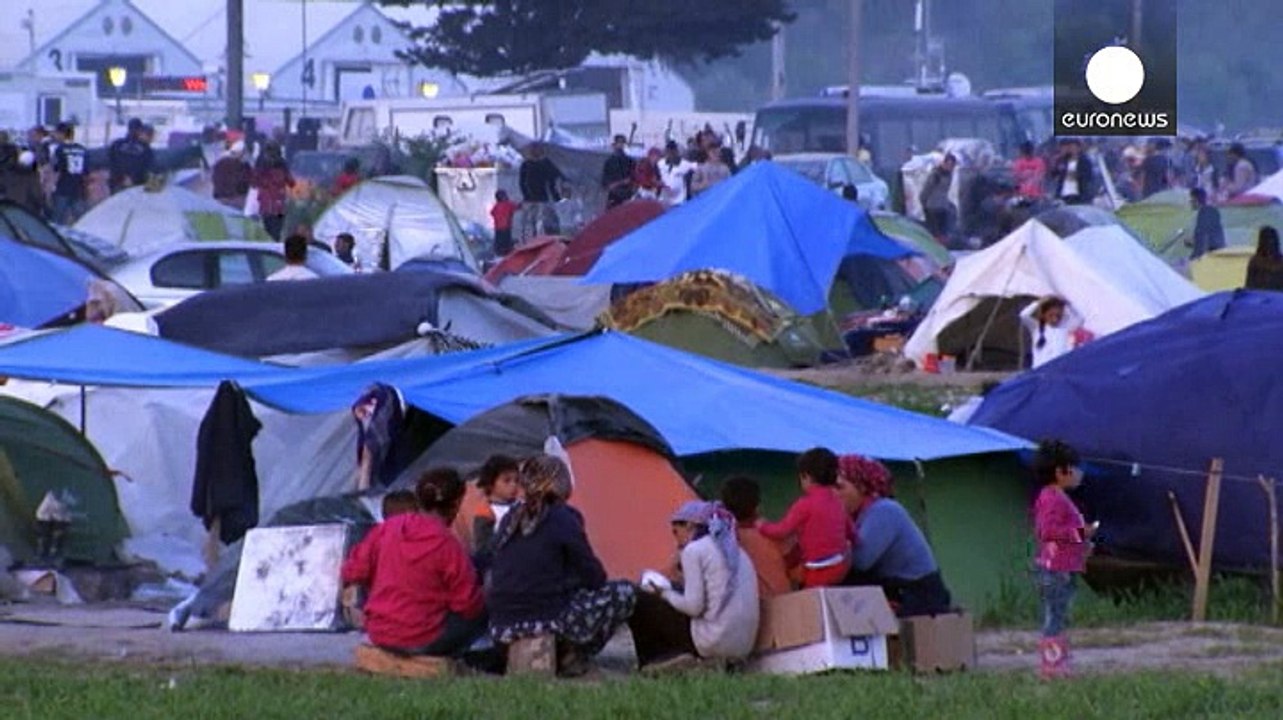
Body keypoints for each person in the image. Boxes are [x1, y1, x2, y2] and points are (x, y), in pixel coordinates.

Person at [485, 454, 636, 677]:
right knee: (624, 592)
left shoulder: (510, 518)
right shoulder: (564, 518)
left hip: (501, 624)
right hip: (545, 618)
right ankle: (572, 653)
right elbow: (595, 577)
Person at [339, 468, 487, 657]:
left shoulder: (386, 529)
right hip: (423, 638)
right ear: (457, 503)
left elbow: (352, 571)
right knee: (486, 603)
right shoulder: (447, 544)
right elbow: (468, 604)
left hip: (380, 633)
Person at [629, 500, 760, 672]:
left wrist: (664, 593)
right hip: (742, 646)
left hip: (712, 641)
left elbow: (693, 607)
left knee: (638, 598)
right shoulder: (737, 552)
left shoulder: (694, 550)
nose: (676, 538)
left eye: (676, 531)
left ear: (690, 526)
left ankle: (655, 661)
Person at [834, 455, 953, 617]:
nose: (833, 494)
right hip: (896, 589)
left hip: (918, 595)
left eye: (839, 487)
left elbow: (860, 560)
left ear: (861, 487)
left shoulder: (883, 510)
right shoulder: (858, 516)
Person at [1031, 439, 1095, 679]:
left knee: (1060, 613)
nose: (1078, 473)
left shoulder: (1056, 496)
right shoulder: (1052, 498)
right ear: (1060, 471)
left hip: (1064, 566)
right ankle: (1052, 665)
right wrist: (1081, 533)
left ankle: (1059, 659)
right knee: (1055, 615)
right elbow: (1047, 532)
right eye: (1074, 468)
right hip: (1056, 568)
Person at [758, 448, 853, 588]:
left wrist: (762, 526)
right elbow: (850, 530)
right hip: (840, 566)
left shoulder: (805, 504)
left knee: (810, 598)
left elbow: (782, 531)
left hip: (817, 570)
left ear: (806, 477)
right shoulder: (838, 502)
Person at [719, 476, 792, 597]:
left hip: (745, 607)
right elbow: (798, 570)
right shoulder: (774, 536)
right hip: (781, 601)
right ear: (757, 506)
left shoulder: (720, 541)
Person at [470, 454, 521, 553]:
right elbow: (483, 548)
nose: (513, 485)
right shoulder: (486, 511)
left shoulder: (521, 504)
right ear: (490, 483)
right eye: (507, 481)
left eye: (516, 480)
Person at [1019, 296, 1084, 369]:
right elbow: (1023, 315)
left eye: (1058, 316)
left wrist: (1069, 305)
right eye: (1051, 315)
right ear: (1044, 315)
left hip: (1059, 369)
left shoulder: (1065, 328)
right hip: (1040, 370)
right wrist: (1038, 302)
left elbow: (1080, 319)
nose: (1055, 319)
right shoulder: (1036, 327)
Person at [518, 143, 565, 241]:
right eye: (534, 149)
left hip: (543, 199)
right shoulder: (526, 165)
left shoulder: (546, 163)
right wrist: (526, 195)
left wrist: (557, 197)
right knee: (530, 226)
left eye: (538, 149)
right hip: (531, 200)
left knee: (544, 225)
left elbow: (554, 178)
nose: (536, 152)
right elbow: (522, 183)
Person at [252, 142, 295, 240]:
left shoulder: (260, 165)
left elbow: (254, 183)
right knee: (276, 231)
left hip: (266, 203)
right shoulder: (282, 164)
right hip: (279, 203)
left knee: (267, 229)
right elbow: (291, 183)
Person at [49, 123, 87, 224]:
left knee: (58, 220)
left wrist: (51, 187)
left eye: (57, 133)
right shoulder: (82, 149)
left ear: (62, 134)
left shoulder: (59, 149)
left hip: (63, 187)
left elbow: (56, 170)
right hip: (78, 188)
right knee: (81, 220)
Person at [108, 118, 154, 193]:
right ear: (140, 130)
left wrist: (121, 178)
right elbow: (147, 167)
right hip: (135, 185)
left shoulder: (116, 144)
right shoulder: (145, 148)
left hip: (117, 183)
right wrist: (132, 178)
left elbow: (111, 163)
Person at [920, 153, 958, 240]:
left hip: (942, 206)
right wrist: (924, 202)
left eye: (952, 166)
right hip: (932, 206)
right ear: (944, 163)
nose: (951, 168)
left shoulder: (949, 175)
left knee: (942, 231)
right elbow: (927, 189)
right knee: (934, 231)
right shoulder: (936, 174)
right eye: (949, 165)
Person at [1052, 139, 1094, 205]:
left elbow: (1087, 178)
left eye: (1073, 147)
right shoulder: (1063, 161)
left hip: (1081, 196)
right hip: (1065, 197)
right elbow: (1055, 176)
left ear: (1079, 148)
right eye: (1070, 147)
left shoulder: (1084, 161)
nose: (1071, 149)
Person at [212, 140, 251, 210]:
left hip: (220, 199)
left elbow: (214, 179)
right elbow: (246, 182)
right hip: (237, 198)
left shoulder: (219, 162)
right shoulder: (243, 165)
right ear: (241, 152)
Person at [1188, 188, 1226, 261]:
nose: (1190, 203)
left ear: (1196, 200)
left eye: (1191, 201)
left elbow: (1203, 237)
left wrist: (1194, 257)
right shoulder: (1212, 211)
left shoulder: (1204, 213)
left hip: (1211, 255)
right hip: (1218, 252)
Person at [601, 135, 636, 208]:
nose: (620, 145)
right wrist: (613, 185)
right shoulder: (609, 162)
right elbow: (605, 181)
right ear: (614, 145)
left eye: (622, 143)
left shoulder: (630, 161)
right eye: (618, 143)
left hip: (626, 193)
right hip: (615, 194)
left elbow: (634, 177)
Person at [658, 141, 697, 207]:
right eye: (668, 151)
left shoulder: (685, 164)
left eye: (673, 150)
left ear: (676, 151)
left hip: (679, 201)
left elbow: (696, 166)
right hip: (664, 199)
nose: (671, 153)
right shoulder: (660, 163)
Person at [1245, 226, 1283, 291]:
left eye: (1272, 239)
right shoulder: (1255, 261)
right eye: (1266, 239)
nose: (1270, 242)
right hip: (1259, 296)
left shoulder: (1281, 262)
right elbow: (1249, 286)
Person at [489, 189, 520, 257]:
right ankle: (506, 253)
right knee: (506, 242)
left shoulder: (496, 205)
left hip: (498, 228)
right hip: (506, 227)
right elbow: (517, 207)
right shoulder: (508, 204)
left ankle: (499, 252)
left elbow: (492, 213)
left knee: (499, 242)